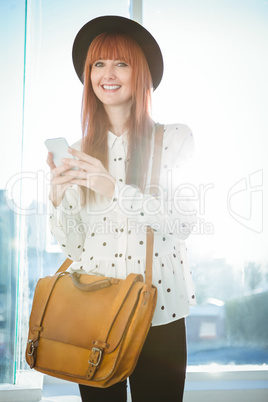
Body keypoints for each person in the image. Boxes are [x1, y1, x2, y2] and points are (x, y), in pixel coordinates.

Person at [47, 15, 196, 402]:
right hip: (93, 312)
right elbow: (76, 249)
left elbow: (181, 223)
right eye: (98, 64)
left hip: (159, 311)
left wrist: (111, 188)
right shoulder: (78, 152)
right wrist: (59, 200)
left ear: (139, 73)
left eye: (120, 63)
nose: (106, 74)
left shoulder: (174, 138)